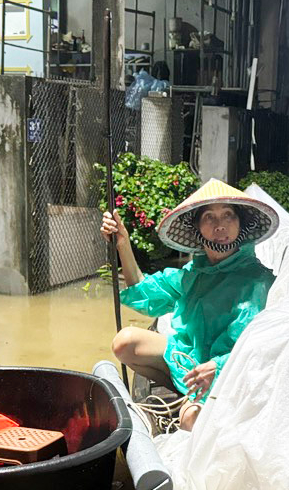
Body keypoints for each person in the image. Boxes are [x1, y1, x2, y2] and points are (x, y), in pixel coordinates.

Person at [102, 179, 278, 430]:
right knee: (124, 342)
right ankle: (184, 392)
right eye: (209, 217)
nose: (220, 225)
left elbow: (257, 347)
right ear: (197, 228)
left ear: (241, 224)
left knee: (190, 420)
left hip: (232, 372)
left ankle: (194, 404)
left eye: (228, 215)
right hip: (189, 361)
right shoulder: (193, 273)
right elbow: (144, 292)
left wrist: (216, 367)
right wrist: (123, 244)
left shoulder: (257, 281)